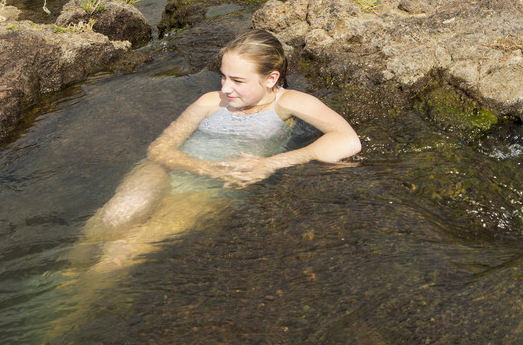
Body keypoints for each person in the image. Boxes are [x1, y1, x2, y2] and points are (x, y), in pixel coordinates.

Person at [74, 28, 360, 271]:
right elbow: (159, 149)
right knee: (111, 221)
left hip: (210, 189)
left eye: (238, 81)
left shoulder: (288, 103)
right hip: (165, 171)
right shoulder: (210, 101)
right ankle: (68, 272)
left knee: (121, 253)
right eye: (223, 76)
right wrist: (205, 167)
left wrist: (272, 163)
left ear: (271, 79)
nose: (226, 88)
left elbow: (347, 140)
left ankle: (62, 315)